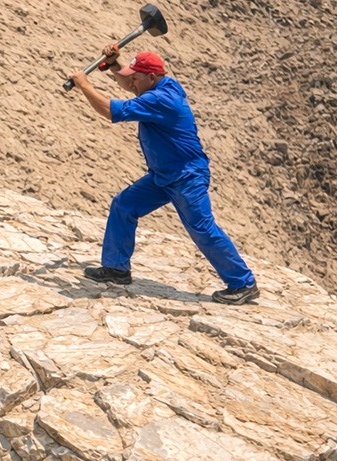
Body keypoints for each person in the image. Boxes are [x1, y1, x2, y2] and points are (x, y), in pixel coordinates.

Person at [69, 47, 259, 305]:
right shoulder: (160, 86)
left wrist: (84, 85)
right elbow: (131, 86)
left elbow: (112, 111)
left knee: (202, 228)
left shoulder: (160, 100)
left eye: (137, 77)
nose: (132, 82)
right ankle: (116, 269)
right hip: (163, 175)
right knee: (124, 205)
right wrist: (114, 64)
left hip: (186, 177)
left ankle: (243, 282)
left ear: (151, 77)